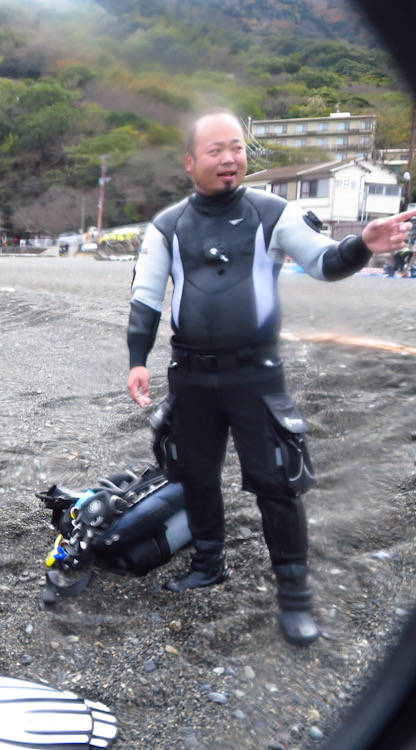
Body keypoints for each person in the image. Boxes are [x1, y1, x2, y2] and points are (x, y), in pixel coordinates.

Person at [126, 107, 416, 646]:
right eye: (215, 150)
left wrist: (363, 245)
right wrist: (137, 360)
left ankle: (295, 597)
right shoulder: (167, 225)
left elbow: (324, 262)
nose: (229, 158)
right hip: (190, 373)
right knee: (195, 474)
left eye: (236, 147)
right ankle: (209, 562)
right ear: (191, 161)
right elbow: (145, 299)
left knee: (277, 483)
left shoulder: (273, 212)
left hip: (255, 374)